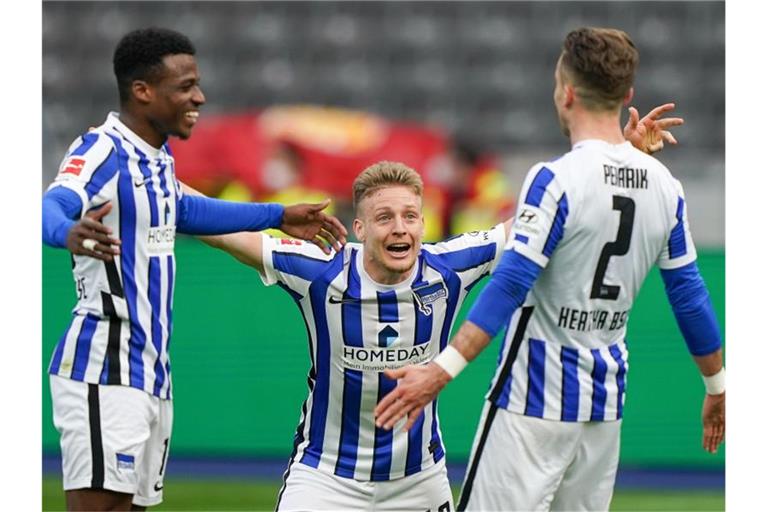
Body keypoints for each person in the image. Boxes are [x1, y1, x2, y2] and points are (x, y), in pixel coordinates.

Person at [195, 98, 682, 510]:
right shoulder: (320, 271)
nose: (400, 228)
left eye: (410, 216)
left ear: (424, 223)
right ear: (360, 229)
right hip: (325, 478)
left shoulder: (450, 266)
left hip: (418, 480)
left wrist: (623, 158)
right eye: (384, 217)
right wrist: (161, 194)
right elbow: (221, 235)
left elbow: (543, 219)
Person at [374, 27, 724, 512]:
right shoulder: (665, 186)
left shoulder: (553, 178)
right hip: (603, 410)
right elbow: (689, 296)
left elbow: (512, 281)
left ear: (566, 92)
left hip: (531, 403)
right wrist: (717, 386)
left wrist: (440, 370)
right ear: (626, 96)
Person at [42, 27, 346, 511]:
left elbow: (190, 212)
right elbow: (51, 204)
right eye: (185, 86)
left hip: (151, 371)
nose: (199, 97)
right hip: (105, 365)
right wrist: (66, 232)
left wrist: (278, 215)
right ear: (143, 91)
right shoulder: (103, 150)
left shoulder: (158, 160)